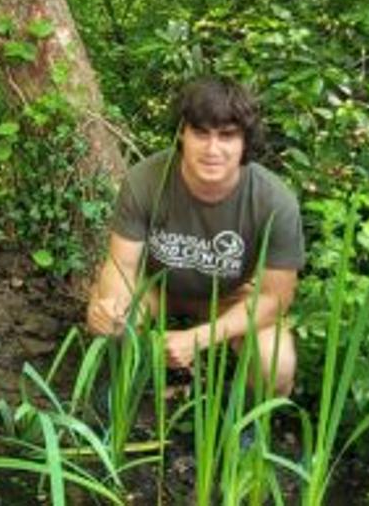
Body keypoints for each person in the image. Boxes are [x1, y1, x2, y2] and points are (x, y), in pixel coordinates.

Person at [86, 76, 304, 395]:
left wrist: (199, 339)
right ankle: (122, 387)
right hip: (156, 285)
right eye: (200, 133)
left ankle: (249, 424)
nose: (212, 149)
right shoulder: (145, 180)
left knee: (277, 363)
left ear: (245, 142)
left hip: (231, 294)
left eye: (227, 136)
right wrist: (110, 308)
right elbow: (121, 266)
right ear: (182, 134)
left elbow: (276, 299)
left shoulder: (274, 200)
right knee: (106, 319)